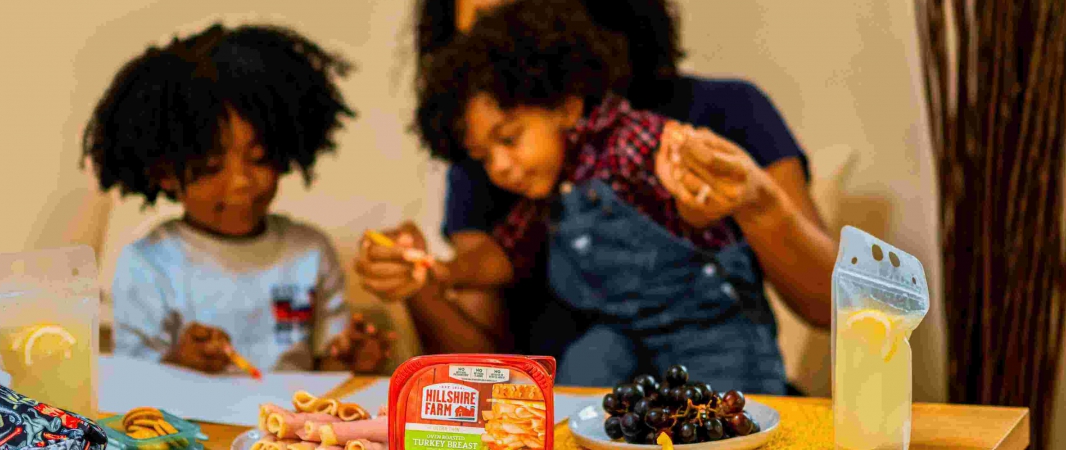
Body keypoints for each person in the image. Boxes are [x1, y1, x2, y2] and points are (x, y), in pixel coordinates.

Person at [358, 0, 836, 392]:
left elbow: (830, 305)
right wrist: (431, 275)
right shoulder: (518, 176)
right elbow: (502, 262)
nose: (499, 166)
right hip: (618, 343)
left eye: (509, 139)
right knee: (585, 369)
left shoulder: (646, 137)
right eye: (483, 27)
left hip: (708, 334)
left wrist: (744, 201)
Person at [82, 23, 393, 374]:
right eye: (213, 166)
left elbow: (326, 367)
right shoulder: (148, 265)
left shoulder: (309, 252)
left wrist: (352, 356)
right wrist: (181, 361)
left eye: (259, 158)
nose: (242, 182)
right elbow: (131, 381)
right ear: (165, 173)